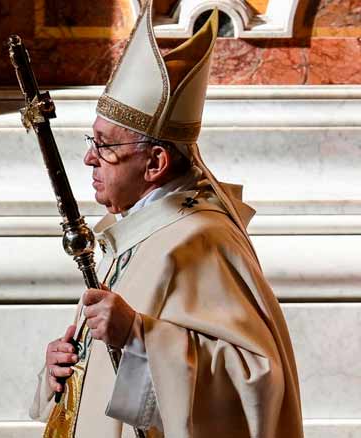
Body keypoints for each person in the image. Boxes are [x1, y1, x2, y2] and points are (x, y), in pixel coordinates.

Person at [29, 3, 304, 438]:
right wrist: (70, 365)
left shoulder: (199, 239)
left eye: (103, 146)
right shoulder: (139, 232)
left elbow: (255, 380)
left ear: (155, 161)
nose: (88, 159)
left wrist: (138, 335)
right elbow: (119, 366)